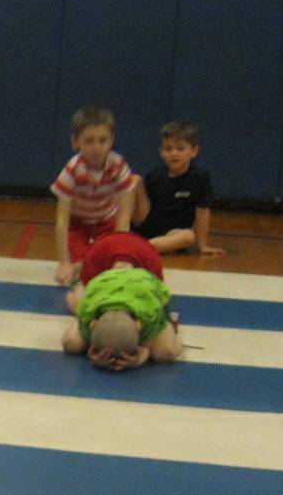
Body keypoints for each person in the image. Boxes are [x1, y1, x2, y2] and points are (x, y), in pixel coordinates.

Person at [61, 245, 181, 371]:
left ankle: (171, 325)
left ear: (139, 327)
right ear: (93, 325)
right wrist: (92, 355)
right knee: (71, 343)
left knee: (166, 353)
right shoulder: (89, 314)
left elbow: (147, 347)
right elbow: (69, 341)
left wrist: (141, 356)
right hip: (101, 284)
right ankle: (74, 291)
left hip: (147, 287)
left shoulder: (148, 315)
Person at [51, 105, 135, 286]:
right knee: (81, 267)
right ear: (76, 142)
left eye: (102, 140)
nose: (96, 147)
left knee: (115, 261)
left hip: (106, 222)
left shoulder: (118, 165)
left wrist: (119, 252)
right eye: (89, 141)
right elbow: (62, 221)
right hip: (78, 225)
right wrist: (64, 263)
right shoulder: (72, 170)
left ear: (111, 140)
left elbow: (125, 213)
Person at [131, 120, 225, 256]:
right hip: (148, 226)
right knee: (135, 180)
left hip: (173, 233)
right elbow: (141, 207)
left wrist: (202, 245)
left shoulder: (200, 177)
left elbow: (203, 211)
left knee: (188, 236)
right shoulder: (155, 175)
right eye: (168, 149)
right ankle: (127, 236)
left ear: (194, 151)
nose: (174, 153)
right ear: (161, 152)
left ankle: (146, 247)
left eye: (180, 148)